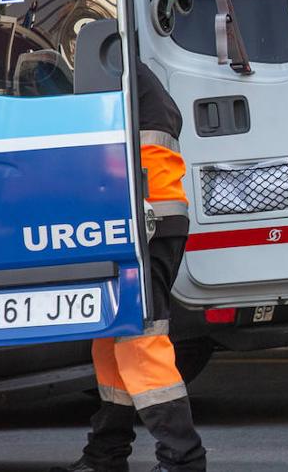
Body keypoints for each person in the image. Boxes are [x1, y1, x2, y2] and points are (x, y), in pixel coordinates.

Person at [55, 63, 206, 472]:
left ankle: (183, 458)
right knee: (113, 340)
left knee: (140, 340)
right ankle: (106, 454)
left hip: (144, 223)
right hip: (146, 220)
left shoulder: (107, 73)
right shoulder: (127, 72)